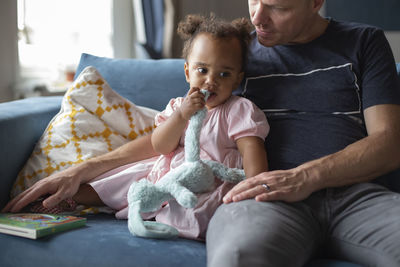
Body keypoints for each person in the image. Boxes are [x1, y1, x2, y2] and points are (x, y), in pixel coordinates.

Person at [3, 0, 400, 265]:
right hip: (260, 198)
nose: (258, 18)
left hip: (354, 196)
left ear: (315, 1)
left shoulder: (363, 42)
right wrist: (84, 169)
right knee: (238, 255)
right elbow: (173, 136)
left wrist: (303, 177)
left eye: (277, 6)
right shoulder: (232, 50)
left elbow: (388, 144)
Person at [4, 14, 269, 240]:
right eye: (202, 70)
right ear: (188, 72)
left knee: (195, 210)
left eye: (223, 74)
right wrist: (180, 116)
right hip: (164, 171)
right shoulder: (178, 105)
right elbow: (160, 145)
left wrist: (252, 189)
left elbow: (252, 154)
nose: (211, 81)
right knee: (124, 178)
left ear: (237, 79)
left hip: (208, 180)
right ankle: (71, 200)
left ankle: (162, 217)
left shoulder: (239, 109)